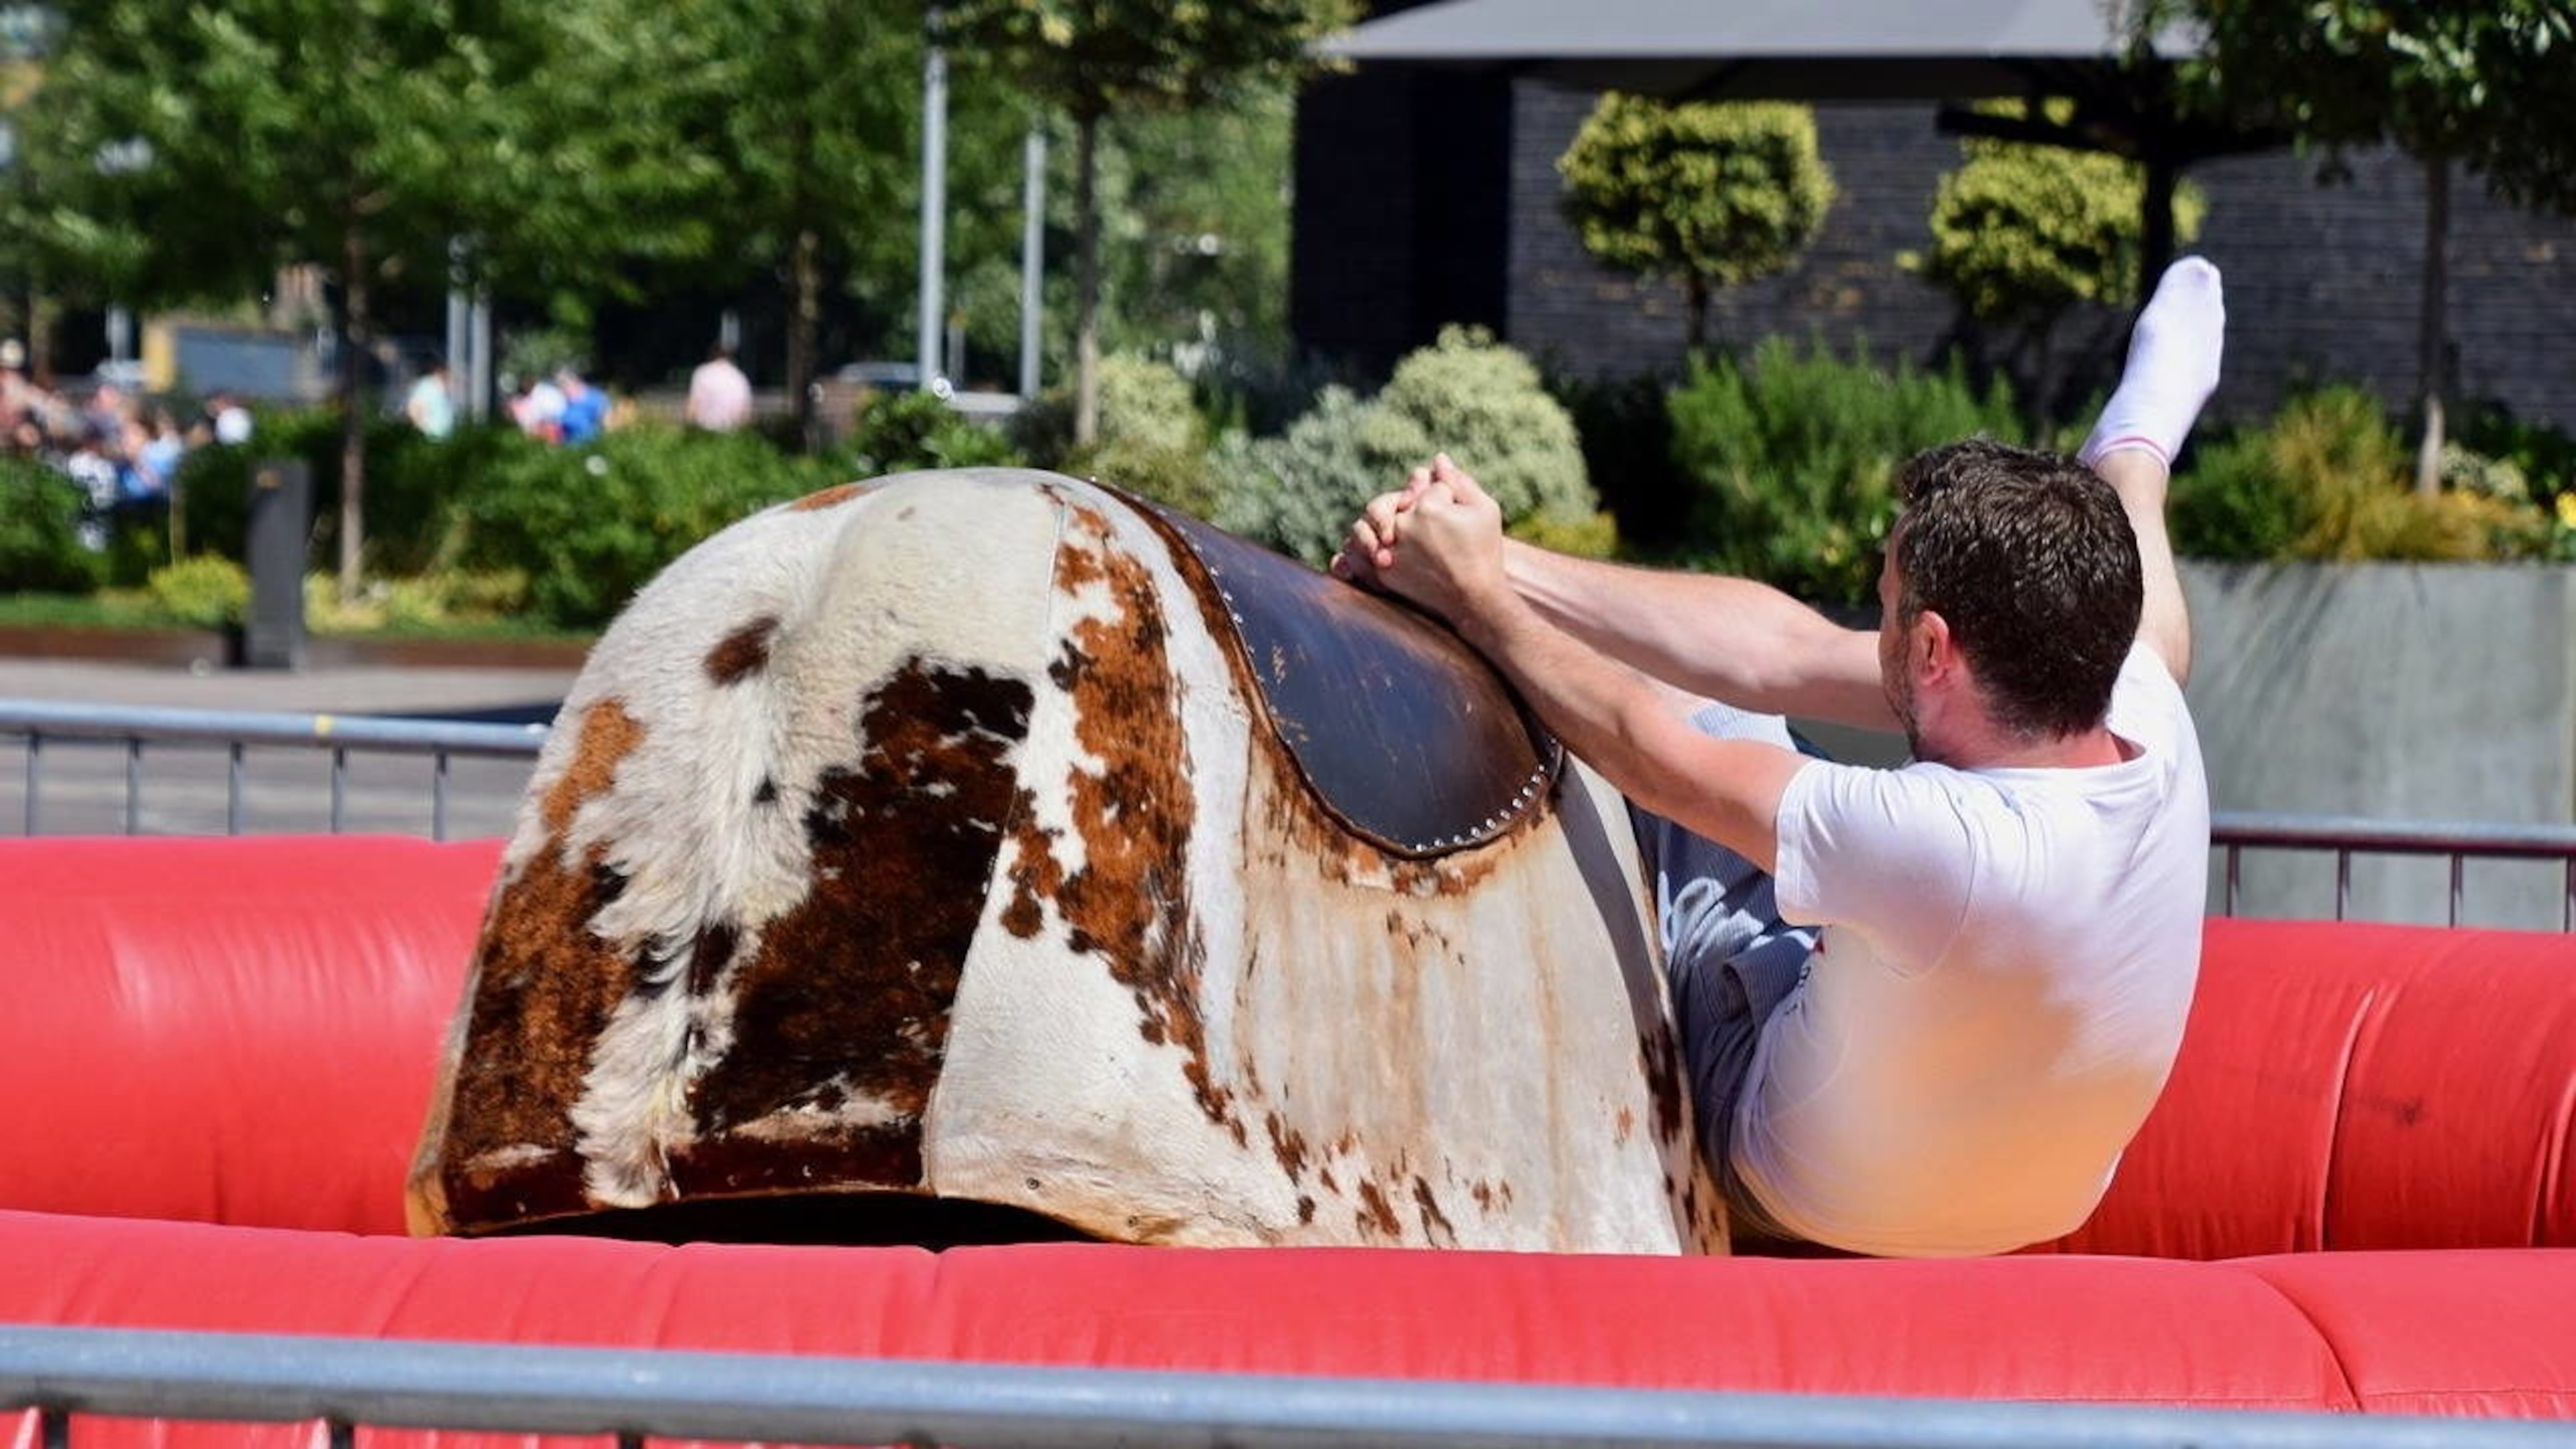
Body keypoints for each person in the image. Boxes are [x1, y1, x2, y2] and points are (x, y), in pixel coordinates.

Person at [1333, 258, 2225, 1258]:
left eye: (1887, 605)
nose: (1876, 621)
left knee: (1706, 724)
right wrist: (1496, 564)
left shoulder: (1948, 847)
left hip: (1798, 1190)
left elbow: (1651, 746)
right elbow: (1787, 654)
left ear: (1935, 647)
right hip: (2041, 1202)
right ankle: (2138, 439)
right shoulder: (2142, 698)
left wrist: (1478, 605)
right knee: (1791, 695)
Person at [684, 343, 752, 433]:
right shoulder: (741, 377)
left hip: (706, 430)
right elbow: (745, 414)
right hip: (732, 432)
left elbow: (693, 407)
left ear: (710, 356)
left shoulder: (703, 373)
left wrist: (688, 430)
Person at [555, 368, 606, 447]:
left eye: (565, 383)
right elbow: (562, 431)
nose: (563, 388)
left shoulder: (594, 397)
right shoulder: (564, 404)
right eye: (561, 385)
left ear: (575, 382)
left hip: (593, 445)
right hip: (570, 448)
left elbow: (606, 423)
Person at [405, 362, 457, 440]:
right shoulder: (426, 386)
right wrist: (423, 427)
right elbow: (413, 409)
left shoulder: (443, 387)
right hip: (432, 436)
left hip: (446, 436)